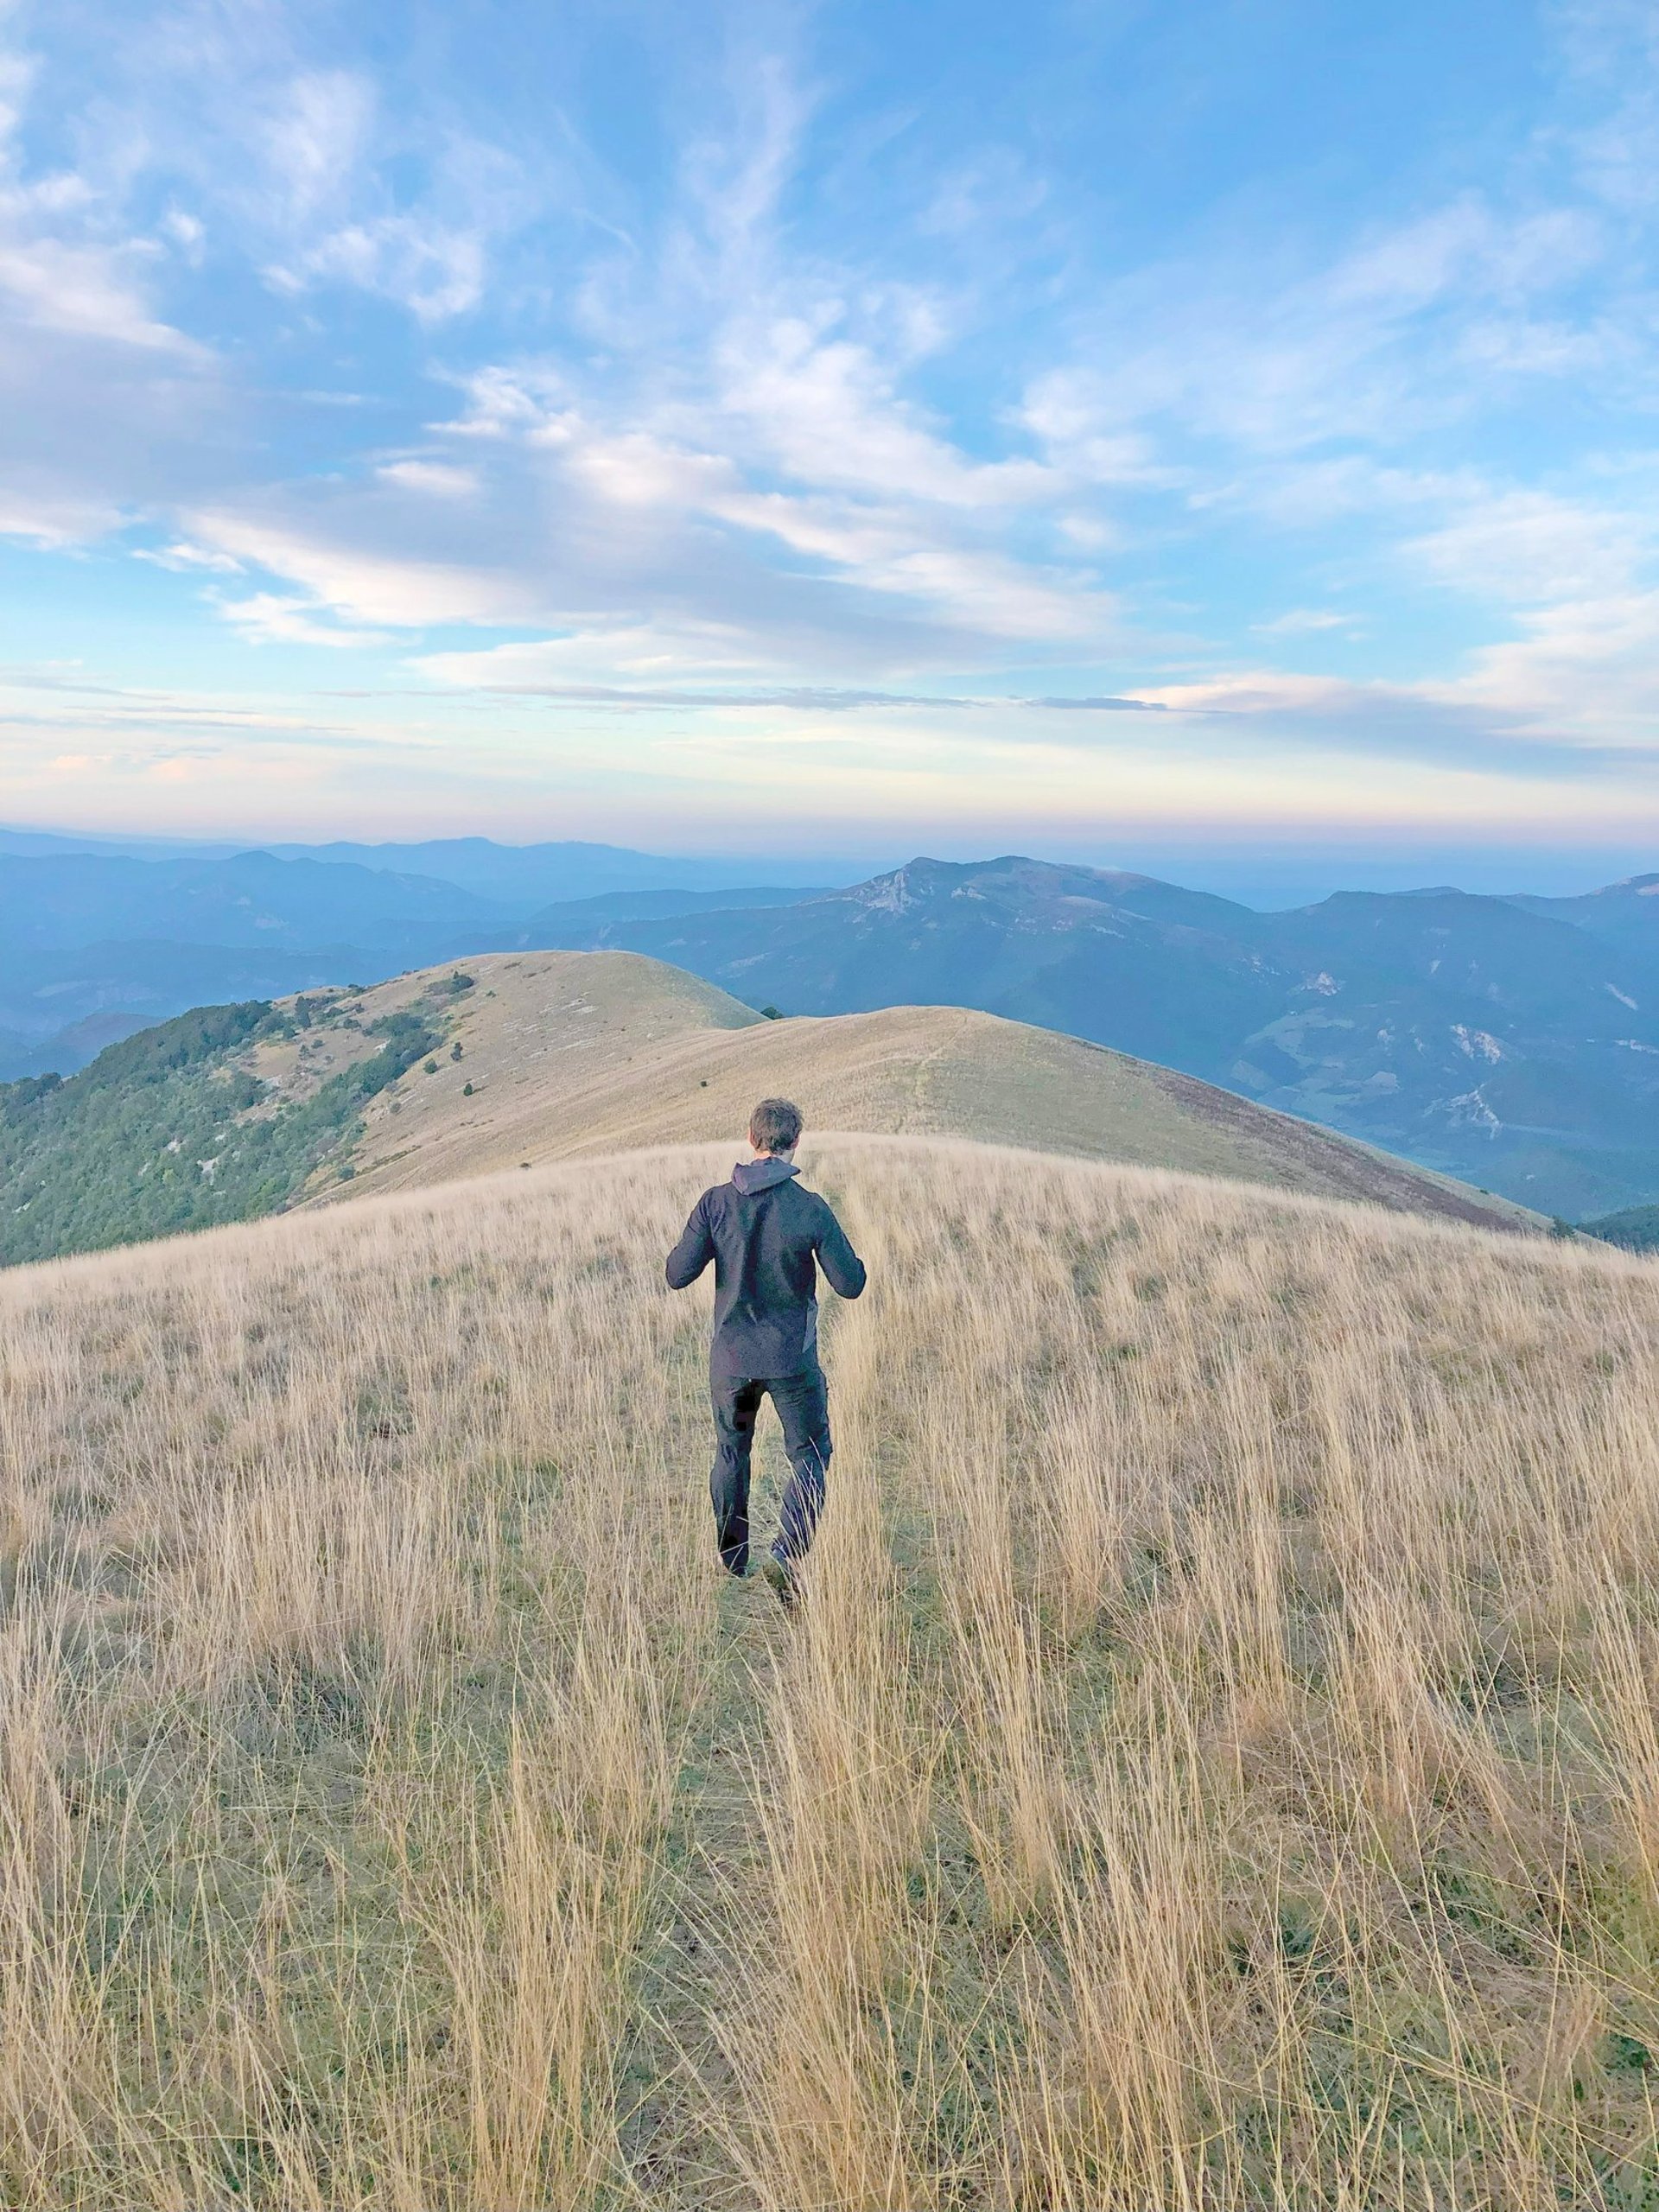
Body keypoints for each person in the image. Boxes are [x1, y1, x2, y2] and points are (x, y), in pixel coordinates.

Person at [665, 1097, 867, 1606]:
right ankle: (788, 1552)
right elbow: (851, 1284)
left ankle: (734, 1557)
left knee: (732, 1452)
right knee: (810, 1455)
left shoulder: (715, 1203)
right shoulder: (810, 1207)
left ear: (750, 1139)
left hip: (733, 1363)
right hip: (792, 1363)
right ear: (795, 1142)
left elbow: (677, 1273)